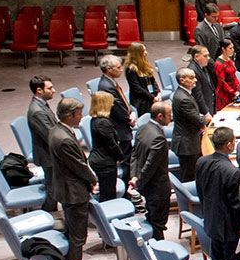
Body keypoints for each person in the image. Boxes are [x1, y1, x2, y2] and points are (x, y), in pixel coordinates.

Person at [50, 97, 95, 260]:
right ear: (69, 116)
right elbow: (79, 166)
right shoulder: (65, 139)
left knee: (72, 230)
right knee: (78, 236)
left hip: (66, 188)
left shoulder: (55, 130)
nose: (81, 117)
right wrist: (93, 179)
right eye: (79, 114)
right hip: (74, 192)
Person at [195, 127, 240, 260]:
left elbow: (200, 190)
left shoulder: (201, 162)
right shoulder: (233, 172)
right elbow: (236, 205)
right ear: (229, 145)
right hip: (229, 230)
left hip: (211, 221)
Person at [130, 101, 171, 240]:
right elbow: (150, 166)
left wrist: (134, 176)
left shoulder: (143, 128)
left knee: (152, 217)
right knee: (158, 224)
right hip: (158, 188)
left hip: (147, 186)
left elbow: (134, 155)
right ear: (160, 116)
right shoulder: (158, 138)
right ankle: (160, 252)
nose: (171, 118)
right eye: (169, 115)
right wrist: (139, 182)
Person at [98, 54, 135, 184]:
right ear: (108, 69)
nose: (121, 70)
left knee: (128, 158)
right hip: (119, 127)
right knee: (126, 161)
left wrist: (131, 111)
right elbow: (116, 108)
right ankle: (126, 190)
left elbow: (122, 100)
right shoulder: (106, 86)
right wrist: (129, 117)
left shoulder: (110, 82)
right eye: (118, 67)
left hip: (122, 124)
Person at [27, 75, 59, 212]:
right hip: (47, 155)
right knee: (53, 187)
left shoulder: (42, 104)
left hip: (49, 153)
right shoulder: (37, 111)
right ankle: (50, 213)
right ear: (39, 90)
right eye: (50, 88)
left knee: (54, 185)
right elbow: (49, 135)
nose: (54, 90)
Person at [171, 68, 210, 181]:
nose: (195, 80)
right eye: (192, 78)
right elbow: (199, 120)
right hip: (187, 144)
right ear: (182, 80)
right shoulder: (183, 99)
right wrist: (205, 118)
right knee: (189, 175)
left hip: (189, 139)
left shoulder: (184, 93)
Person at [86, 91, 123, 202]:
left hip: (99, 159)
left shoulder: (95, 119)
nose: (112, 105)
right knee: (108, 194)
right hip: (104, 162)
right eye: (110, 102)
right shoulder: (103, 123)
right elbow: (111, 145)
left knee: (106, 189)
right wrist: (121, 157)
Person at [123, 43, 158, 119]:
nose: (146, 52)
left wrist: (158, 93)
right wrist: (152, 97)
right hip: (141, 100)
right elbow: (137, 89)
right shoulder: (131, 70)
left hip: (150, 96)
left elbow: (153, 80)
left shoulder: (144, 64)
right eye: (143, 50)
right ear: (137, 53)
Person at [188, 44, 216, 116]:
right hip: (202, 110)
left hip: (209, 103)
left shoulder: (202, 66)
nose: (208, 58)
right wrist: (206, 112)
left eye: (208, 55)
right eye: (205, 56)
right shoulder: (193, 71)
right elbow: (198, 95)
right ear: (196, 57)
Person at [213, 39, 240, 110]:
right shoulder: (219, 63)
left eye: (233, 48)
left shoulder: (229, 60)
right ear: (223, 49)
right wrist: (232, 92)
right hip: (224, 92)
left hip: (233, 91)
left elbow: (234, 76)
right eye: (230, 48)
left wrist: (238, 88)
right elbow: (222, 81)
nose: (232, 50)